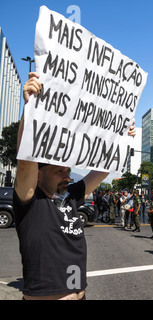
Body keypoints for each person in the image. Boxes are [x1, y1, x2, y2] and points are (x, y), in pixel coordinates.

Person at [13, 72, 136, 300]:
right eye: (59, 171)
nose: (67, 177)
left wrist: (122, 139)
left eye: (68, 171)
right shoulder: (31, 201)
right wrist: (29, 110)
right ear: (38, 175)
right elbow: (24, 164)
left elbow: (101, 171)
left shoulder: (70, 197)